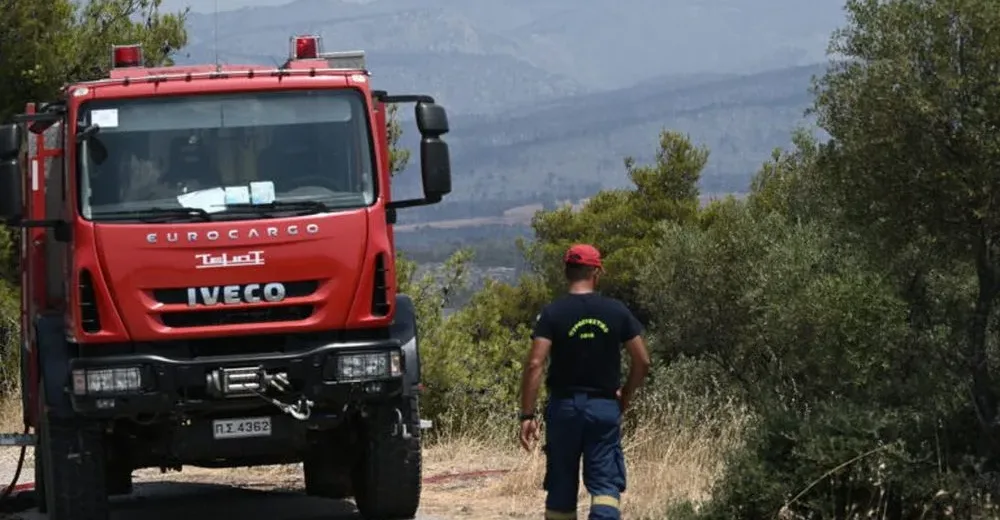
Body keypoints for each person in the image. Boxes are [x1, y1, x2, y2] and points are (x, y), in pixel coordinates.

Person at [518, 243, 651, 520]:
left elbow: (535, 364)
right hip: (603, 408)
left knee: (561, 487)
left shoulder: (553, 313)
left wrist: (527, 414)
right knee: (605, 486)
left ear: (567, 272)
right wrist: (625, 395)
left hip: (564, 408)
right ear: (596, 273)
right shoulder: (616, 311)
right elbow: (642, 361)